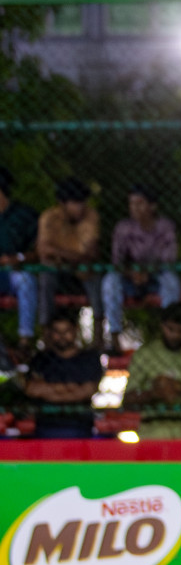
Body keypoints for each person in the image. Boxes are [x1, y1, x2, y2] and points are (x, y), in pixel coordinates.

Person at [101, 185, 181, 355]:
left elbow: (169, 259)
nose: (135, 208)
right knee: (110, 281)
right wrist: (132, 273)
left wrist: (148, 273)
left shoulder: (165, 227)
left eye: (140, 203)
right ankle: (114, 335)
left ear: (152, 206)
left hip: (156, 278)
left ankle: (167, 331)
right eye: (131, 203)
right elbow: (117, 260)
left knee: (171, 281)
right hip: (130, 278)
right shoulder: (123, 227)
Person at [123, 301, 181, 439]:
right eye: (171, 329)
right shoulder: (145, 355)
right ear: (162, 326)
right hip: (153, 429)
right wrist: (154, 393)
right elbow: (128, 401)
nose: (175, 336)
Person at [36, 177, 101, 345]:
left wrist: (59, 253)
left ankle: (98, 333)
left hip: (81, 271)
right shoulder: (49, 218)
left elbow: (90, 254)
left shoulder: (91, 216)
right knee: (46, 274)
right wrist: (74, 256)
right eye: (75, 203)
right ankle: (46, 333)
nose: (80, 207)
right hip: (57, 270)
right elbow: (43, 252)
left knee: (93, 276)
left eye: (82, 202)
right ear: (63, 203)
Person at [24, 309, 99, 439]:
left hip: (80, 426)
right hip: (46, 426)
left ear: (75, 330)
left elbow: (88, 390)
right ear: (50, 333)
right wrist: (71, 388)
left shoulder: (89, 358)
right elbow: (32, 389)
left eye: (66, 331)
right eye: (57, 332)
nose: (62, 336)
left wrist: (50, 389)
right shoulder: (41, 359)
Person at [0, 167, 40, 357]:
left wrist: (19, 258)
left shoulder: (24, 215)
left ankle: (25, 340)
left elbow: (41, 250)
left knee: (26, 280)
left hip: (17, 271)